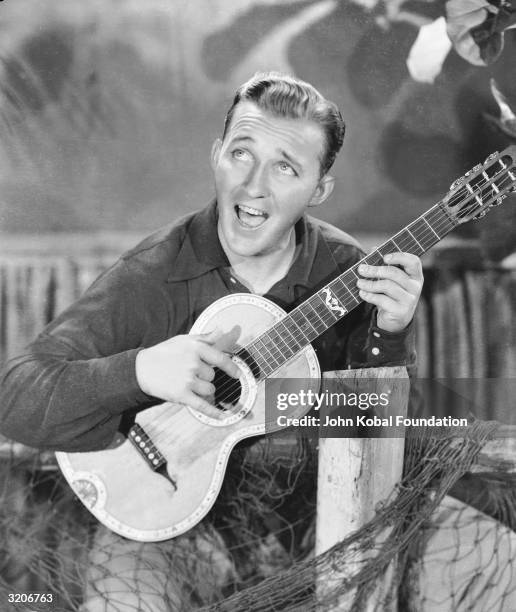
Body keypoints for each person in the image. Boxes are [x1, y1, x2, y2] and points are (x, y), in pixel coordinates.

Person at [0, 72, 423, 611]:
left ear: (319, 190)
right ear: (217, 154)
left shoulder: (348, 275)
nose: (254, 186)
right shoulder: (153, 274)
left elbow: (383, 437)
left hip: (316, 525)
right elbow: (14, 396)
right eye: (242, 153)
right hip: (167, 527)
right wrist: (141, 371)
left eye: (286, 167)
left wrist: (389, 336)